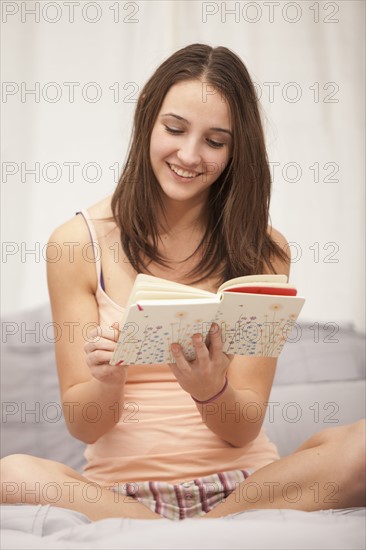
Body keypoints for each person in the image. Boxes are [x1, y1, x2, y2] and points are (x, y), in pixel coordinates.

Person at [1, 44, 364, 521]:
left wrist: (209, 388)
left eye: (215, 141)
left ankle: (190, 535)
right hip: (120, 499)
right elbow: (84, 426)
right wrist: (107, 383)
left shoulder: (266, 250)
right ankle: (183, 535)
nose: (189, 155)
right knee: (13, 474)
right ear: (148, 117)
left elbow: (241, 429)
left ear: (237, 150)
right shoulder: (76, 244)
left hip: (243, 493)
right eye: (174, 129)